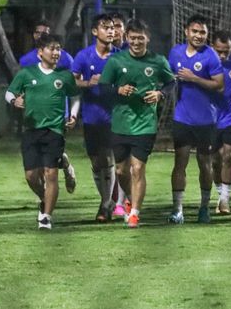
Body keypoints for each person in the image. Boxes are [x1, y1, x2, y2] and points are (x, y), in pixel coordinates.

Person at [99, 19, 175, 228]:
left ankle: (134, 213)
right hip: (121, 123)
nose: (136, 42)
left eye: (140, 38)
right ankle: (131, 198)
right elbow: (103, 86)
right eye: (132, 38)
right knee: (122, 171)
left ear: (147, 38)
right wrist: (118, 90)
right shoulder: (116, 61)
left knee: (137, 168)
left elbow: (171, 82)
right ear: (126, 38)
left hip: (145, 124)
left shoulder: (157, 61)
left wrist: (160, 93)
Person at [6, 34, 81, 229]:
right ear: (40, 52)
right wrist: (15, 100)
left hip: (55, 131)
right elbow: (9, 93)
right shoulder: (26, 74)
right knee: (31, 176)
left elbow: (75, 97)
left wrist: (72, 115)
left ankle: (46, 216)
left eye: (58, 49)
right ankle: (44, 198)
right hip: (31, 130)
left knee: (50, 174)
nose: (56, 52)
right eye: (52, 49)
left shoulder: (64, 76)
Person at [167, 15, 224, 224]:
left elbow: (219, 84)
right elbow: (168, 76)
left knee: (204, 163)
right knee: (179, 162)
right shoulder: (175, 53)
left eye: (202, 33)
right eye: (195, 31)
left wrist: (194, 78)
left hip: (205, 120)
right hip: (182, 117)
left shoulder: (211, 56)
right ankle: (177, 210)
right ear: (186, 32)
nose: (199, 36)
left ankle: (204, 208)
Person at [19, 20, 77, 192]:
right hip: (34, 114)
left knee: (47, 162)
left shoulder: (64, 57)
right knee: (39, 160)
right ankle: (63, 165)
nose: (42, 35)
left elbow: (70, 83)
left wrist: (71, 113)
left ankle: (47, 199)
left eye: (46, 31)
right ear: (34, 35)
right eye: (39, 32)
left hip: (58, 113)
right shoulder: (26, 60)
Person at [71, 13, 119, 222]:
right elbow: (71, 83)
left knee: (108, 157)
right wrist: (88, 83)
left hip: (114, 117)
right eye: (105, 27)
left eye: (112, 27)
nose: (110, 31)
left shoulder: (119, 56)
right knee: (96, 161)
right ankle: (106, 200)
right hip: (91, 118)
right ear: (94, 31)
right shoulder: (84, 56)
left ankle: (106, 204)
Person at [210, 31, 231, 215]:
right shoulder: (206, 64)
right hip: (211, 118)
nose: (223, 55)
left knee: (228, 156)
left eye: (227, 51)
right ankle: (220, 193)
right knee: (215, 160)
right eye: (219, 51)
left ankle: (224, 200)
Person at [108, 12, 129, 216]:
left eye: (118, 26)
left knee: (125, 162)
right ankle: (112, 201)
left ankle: (121, 202)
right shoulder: (104, 53)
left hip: (128, 114)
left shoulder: (131, 51)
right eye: (111, 26)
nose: (114, 30)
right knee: (107, 161)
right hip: (106, 113)